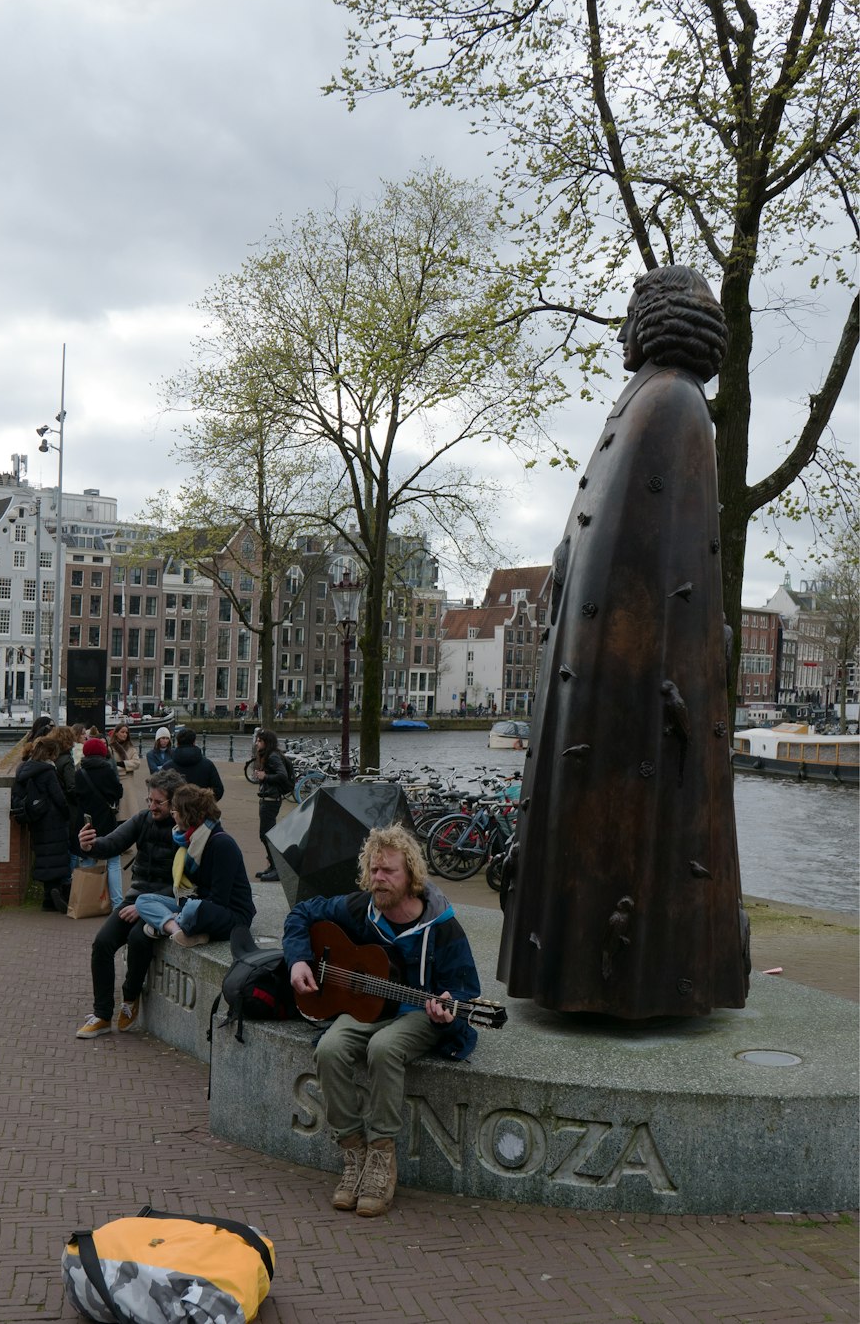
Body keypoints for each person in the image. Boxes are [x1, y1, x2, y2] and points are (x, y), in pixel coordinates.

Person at [497, 264, 749, 1019]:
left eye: (632, 312)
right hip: (597, 662)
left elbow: (650, 555)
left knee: (622, 823)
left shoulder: (670, 405)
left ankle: (622, 979)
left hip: (622, 677)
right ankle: (579, 972)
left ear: (658, 319)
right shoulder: (651, 401)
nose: (621, 331)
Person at [283, 824, 481, 1218]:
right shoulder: (362, 908)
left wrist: (448, 1004)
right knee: (330, 1048)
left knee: (384, 1047)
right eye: (374, 870)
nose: (378, 879)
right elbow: (302, 912)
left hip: (417, 1015)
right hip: (369, 1009)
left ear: (410, 875)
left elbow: (464, 989)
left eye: (389, 871)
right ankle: (353, 1151)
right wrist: (299, 959)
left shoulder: (442, 926)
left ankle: (381, 1158)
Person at [74, 768, 186, 1040]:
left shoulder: (184, 829)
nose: (152, 806)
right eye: (149, 800)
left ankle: (130, 997)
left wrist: (145, 907)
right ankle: (102, 1015)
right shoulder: (142, 820)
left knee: (138, 939)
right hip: (137, 895)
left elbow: (187, 881)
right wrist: (90, 846)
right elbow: (114, 842)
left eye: (158, 802)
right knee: (102, 943)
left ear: (174, 803)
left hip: (167, 901)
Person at [134, 784, 255, 947]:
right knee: (143, 901)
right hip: (198, 904)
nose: (173, 816)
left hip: (231, 915)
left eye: (174, 812)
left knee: (192, 908)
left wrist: (184, 910)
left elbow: (220, 899)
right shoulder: (187, 841)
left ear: (187, 815)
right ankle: (177, 930)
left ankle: (168, 925)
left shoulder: (222, 844)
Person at [14, 732, 72, 912]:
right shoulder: (47, 771)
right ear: (50, 753)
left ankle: (47, 900)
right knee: (57, 857)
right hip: (53, 818)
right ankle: (55, 892)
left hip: (36, 819)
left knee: (45, 856)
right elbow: (59, 797)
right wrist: (66, 814)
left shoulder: (24, 769)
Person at [74, 735, 125, 909]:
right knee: (113, 861)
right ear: (103, 752)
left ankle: (88, 902)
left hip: (87, 822)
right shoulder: (108, 770)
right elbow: (118, 793)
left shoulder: (80, 772)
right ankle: (117, 903)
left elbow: (76, 796)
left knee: (88, 860)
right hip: (107, 820)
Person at [252, 729, 290, 881]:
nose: (256, 743)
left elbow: (282, 775)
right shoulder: (269, 756)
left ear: (266, 743)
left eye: (259, 741)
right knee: (267, 834)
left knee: (266, 835)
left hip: (271, 800)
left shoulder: (273, 756)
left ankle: (277, 869)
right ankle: (273, 866)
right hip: (268, 799)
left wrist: (265, 776)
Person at [169, 727, 225, 800]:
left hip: (175, 808)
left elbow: (161, 791)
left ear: (177, 743)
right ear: (194, 742)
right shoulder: (208, 765)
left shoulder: (168, 766)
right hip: (201, 808)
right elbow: (218, 790)